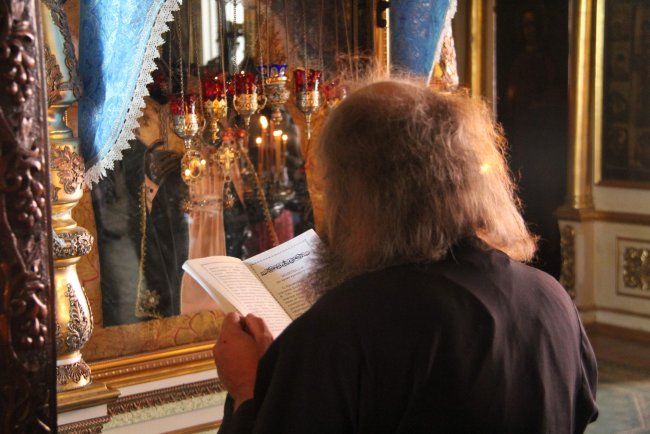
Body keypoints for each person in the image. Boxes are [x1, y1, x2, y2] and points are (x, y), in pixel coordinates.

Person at [213, 79, 599, 433]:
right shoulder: (551, 299)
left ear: (359, 196)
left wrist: (248, 390)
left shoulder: (344, 328)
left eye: (328, 189)